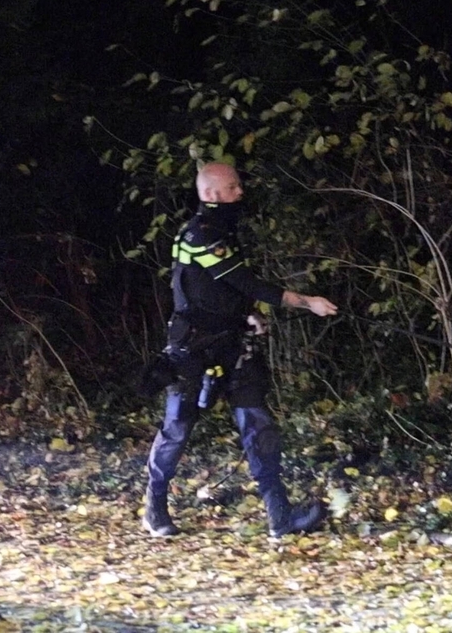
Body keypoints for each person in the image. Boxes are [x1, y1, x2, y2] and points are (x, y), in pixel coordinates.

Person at [143, 161, 338, 538]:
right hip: (192, 348)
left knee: (259, 425)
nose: (240, 193)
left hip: (233, 344)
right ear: (212, 194)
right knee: (177, 430)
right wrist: (307, 301)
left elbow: (218, 288)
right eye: (233, 188)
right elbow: (246, 282)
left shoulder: (223, 231)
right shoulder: (199, 236)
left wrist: (246, 315)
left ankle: (280, 518)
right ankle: (155, 507)